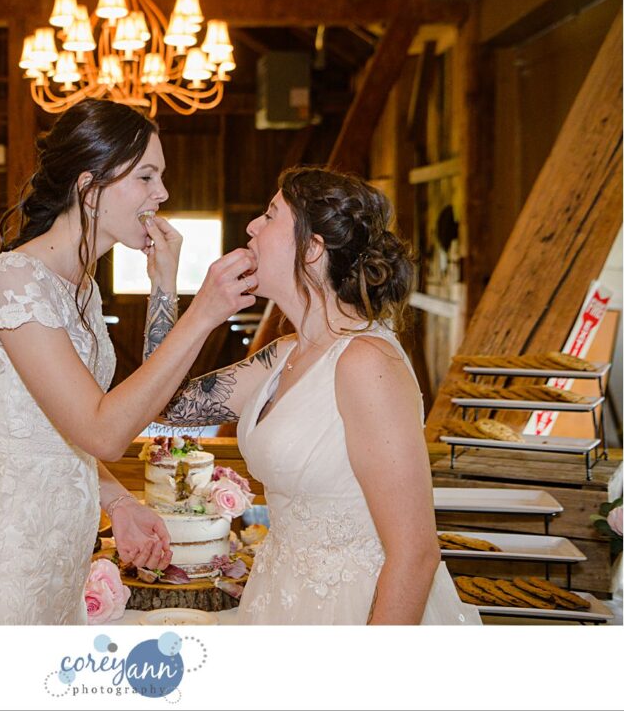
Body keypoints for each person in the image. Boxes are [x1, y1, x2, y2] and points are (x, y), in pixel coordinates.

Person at [0, 99, 256, 624]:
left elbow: (119, 411)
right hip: (4, 565)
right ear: (89, 188)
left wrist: (164, 287)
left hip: (61, 562)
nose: (162, 194)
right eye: (146, 176)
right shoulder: (15, 280)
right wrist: (202, 316)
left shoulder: (82, 290)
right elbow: (101, 432)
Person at [155, 167, 480, 624]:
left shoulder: (366, 362)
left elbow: (416, 554)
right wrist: (167, 289)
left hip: (354, 609)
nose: (252, 227)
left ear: (311, 249)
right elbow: (165, 404)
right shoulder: (282, 356)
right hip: (280, 597)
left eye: (269, 216)